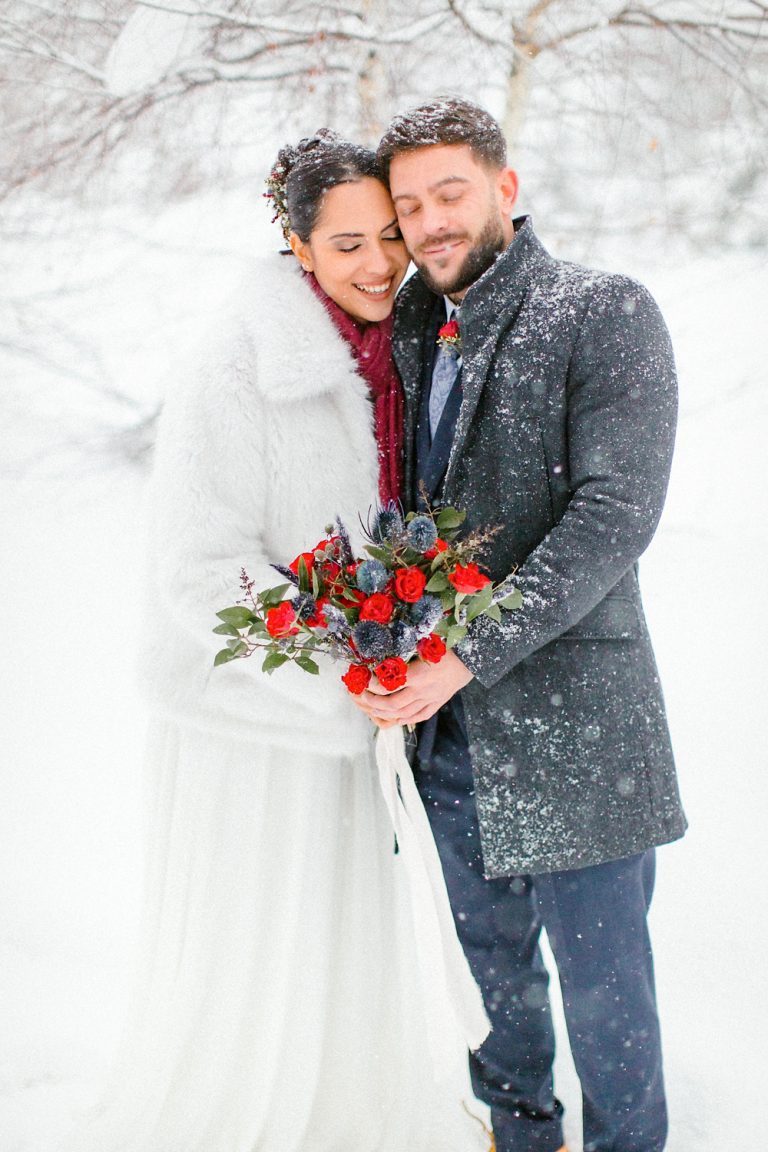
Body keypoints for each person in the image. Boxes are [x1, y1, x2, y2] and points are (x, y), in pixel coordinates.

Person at [59, 130, 488, 1152]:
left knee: (339, 947)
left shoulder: (410, 347)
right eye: (346, 244)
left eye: (390, 234)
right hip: (249, 720)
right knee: (255, 952)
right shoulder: (235, 362)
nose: (379, 261)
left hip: (353, 715)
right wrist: (342, 672)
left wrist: (394, 651)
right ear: (297, 247)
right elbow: (201, 569)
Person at [352, 97, 687, 1152]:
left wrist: (466, 653)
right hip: (448, 739)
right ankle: (520, 1137)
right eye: (410, 206)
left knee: (605, 996)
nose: (430, 222)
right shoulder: (412, 329)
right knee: (490, 985)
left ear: (505, 186)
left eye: (450, 192)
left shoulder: (602, 310)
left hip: (580, 731)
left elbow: (613, 518)